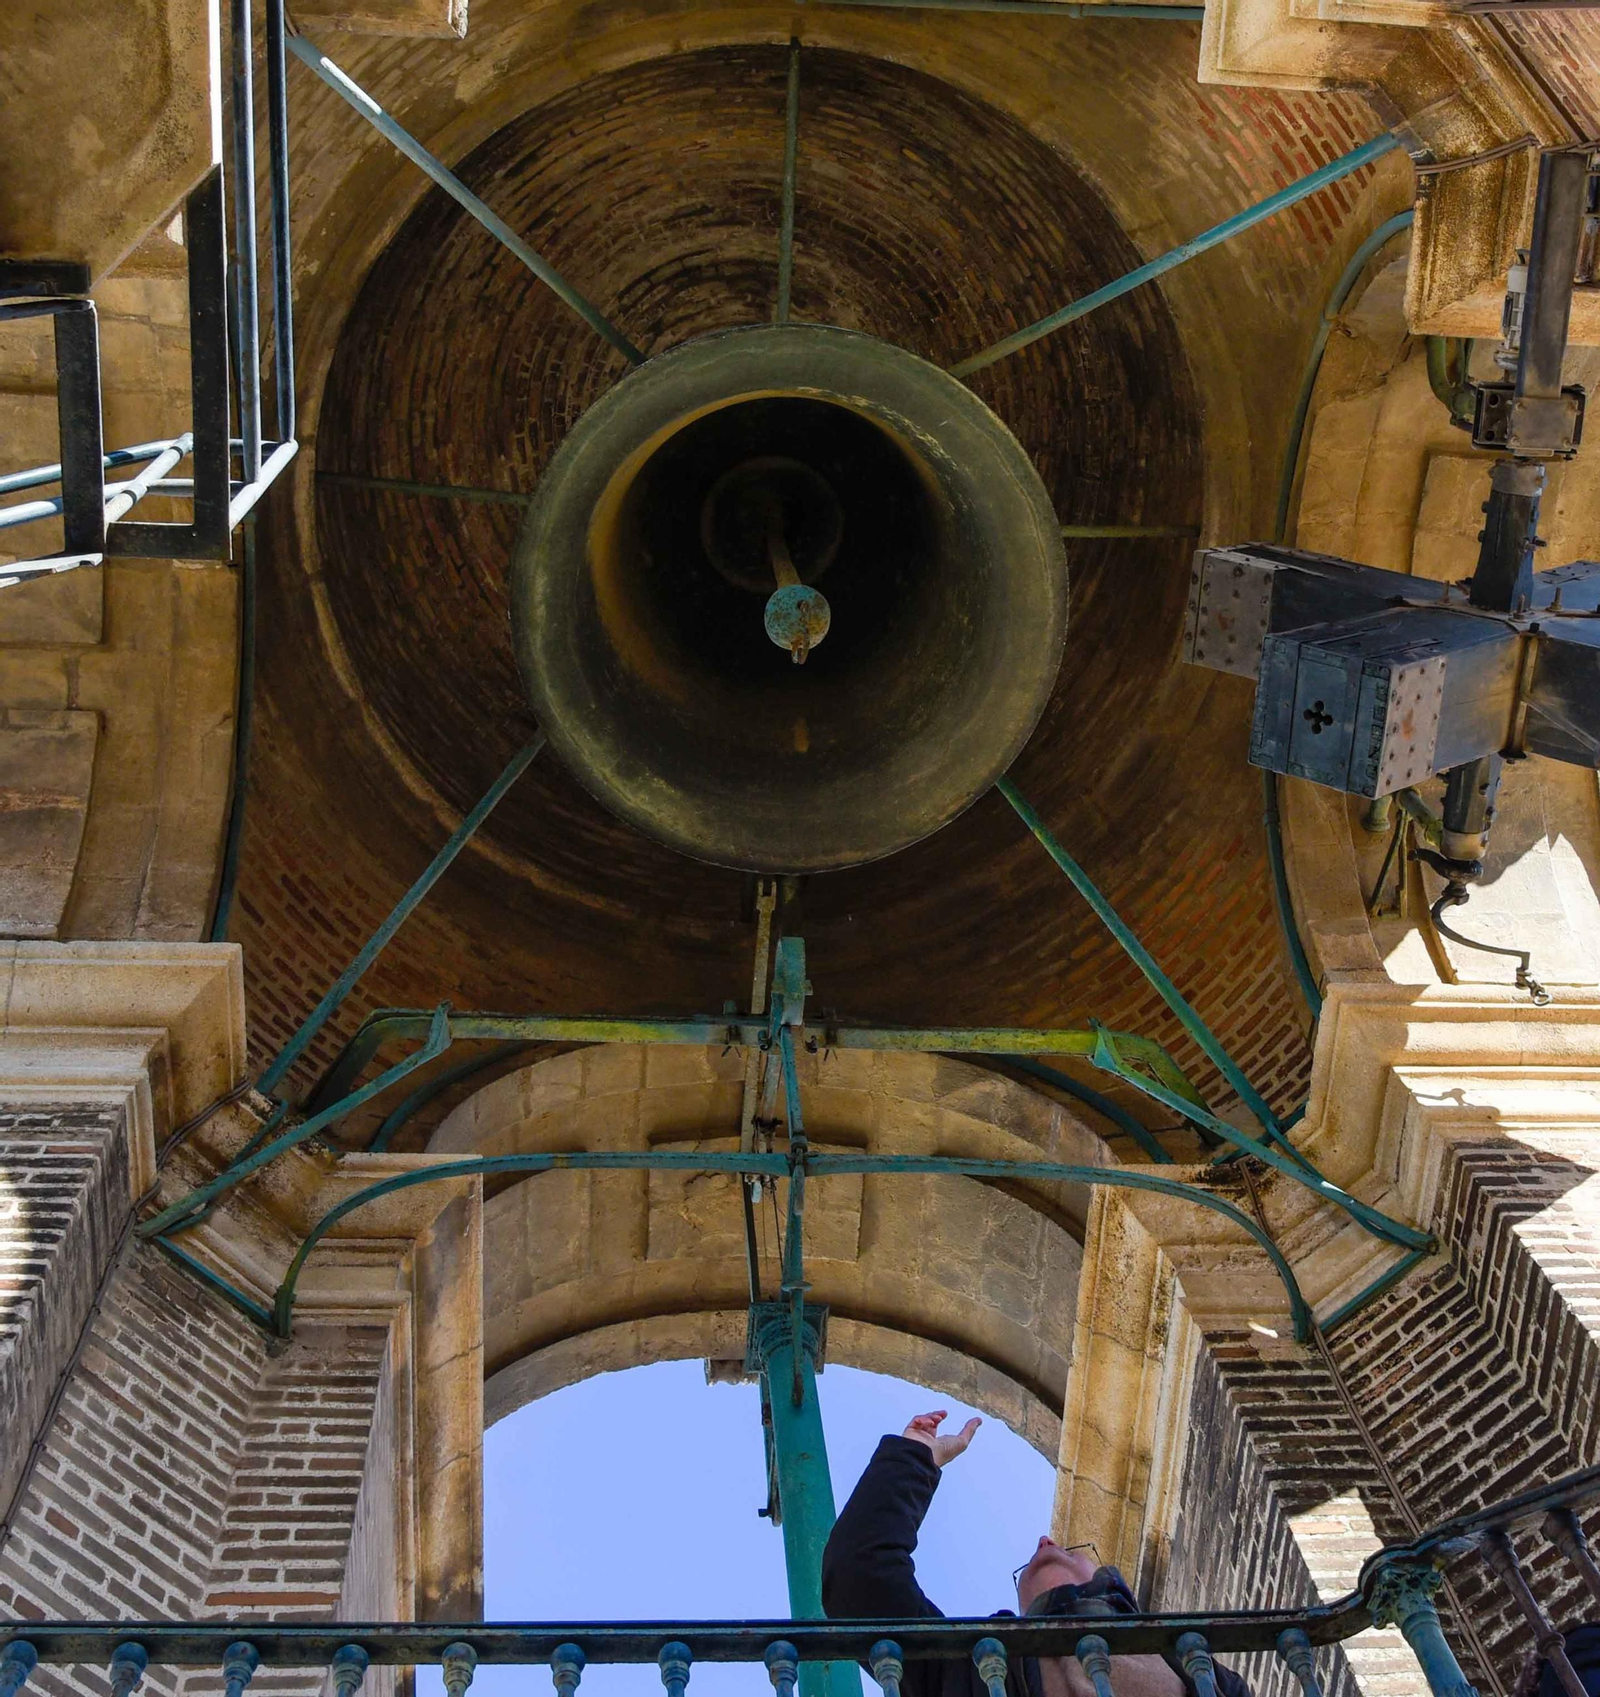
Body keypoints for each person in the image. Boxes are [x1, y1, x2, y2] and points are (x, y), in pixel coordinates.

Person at [823, 1411, 1251, 1697]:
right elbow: (859, 1575)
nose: (1044, 1542)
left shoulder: (1184, 1657)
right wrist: (917, 1456)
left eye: (1068, 1548)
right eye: (1028, 1564)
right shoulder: (976, 1666)